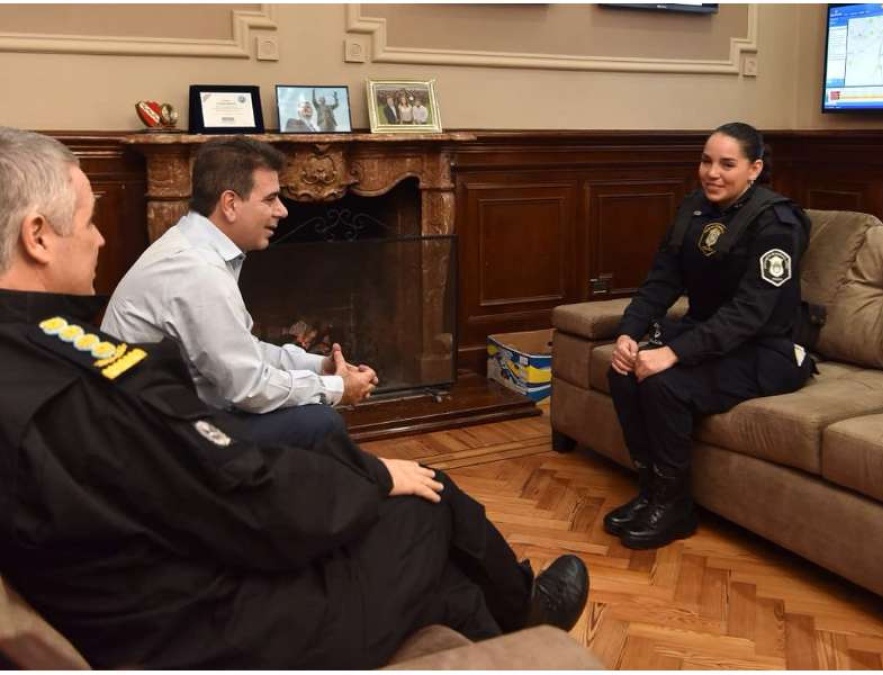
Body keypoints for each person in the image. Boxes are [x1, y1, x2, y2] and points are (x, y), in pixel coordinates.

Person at [0, 126, 590, 669]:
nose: (103, 238)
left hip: (175, 575)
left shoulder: (36, 354)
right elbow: (246, 491)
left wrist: (320, 380)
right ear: (38, 236)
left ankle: (509, 630)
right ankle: (524, 612)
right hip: (209, 624)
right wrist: (373, 478)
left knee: (431, 551)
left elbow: (219, 426)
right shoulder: (82, 386)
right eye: (89, 220)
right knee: (428, 497)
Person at [604, 122, 814, 550]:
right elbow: (661, 281)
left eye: (727, 164)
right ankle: (651, 491)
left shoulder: (777, 221)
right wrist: (630, 332)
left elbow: (750, 313)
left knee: (663, 383)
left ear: (754, 169)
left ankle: (675, 506)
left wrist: (674, 353)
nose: (712, 173)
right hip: (710, 337)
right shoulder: (694, 209)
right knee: (624, 370)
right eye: (706, 161)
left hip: (767, 349)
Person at [102, 136, 373, 448]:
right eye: (270, 199)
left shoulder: (196, 247)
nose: (282, 211)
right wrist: (336, 387)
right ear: (230, 204)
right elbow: (249, 388)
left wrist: (317, 365)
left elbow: (242, 351)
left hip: (171, 414)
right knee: (319, 421)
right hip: (156, 438)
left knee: (313, 413)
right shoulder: (197, 270)